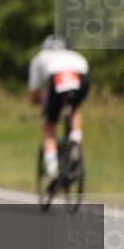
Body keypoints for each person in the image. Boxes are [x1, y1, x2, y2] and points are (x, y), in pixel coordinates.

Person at [28, 34, 89, 178]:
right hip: (81, 76)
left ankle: (52, 169)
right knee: (74, 109)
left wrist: (43, 103)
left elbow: (34, 94)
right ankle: (75, 140)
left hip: (57, 76)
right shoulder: (73, 54)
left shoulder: (40, 58)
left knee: (49, 125)